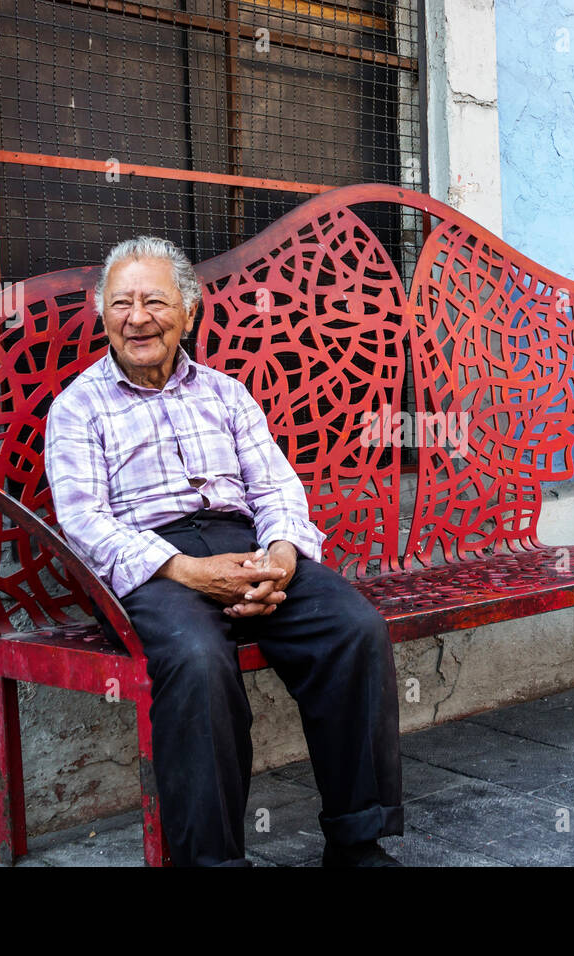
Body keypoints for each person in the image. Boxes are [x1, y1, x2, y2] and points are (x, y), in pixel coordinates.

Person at [44, 236, 403, 867]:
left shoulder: (225, 393)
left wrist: (284, 555)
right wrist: (186, 570)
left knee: (354, 629)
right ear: (102, 313)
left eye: (154, 301)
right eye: (120, 303)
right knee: (198, 660)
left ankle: (357, 843)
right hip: (149, 564)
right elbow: (83, 523)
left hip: (244, 547)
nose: (137, 318)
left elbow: (273, 486)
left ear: (188, 310)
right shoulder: (78, 407)